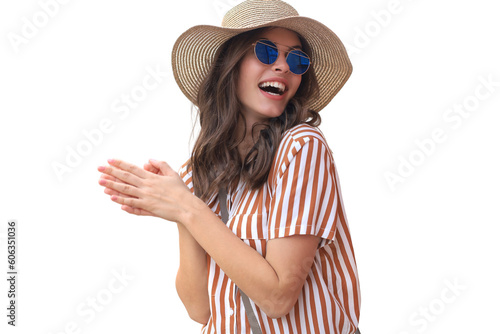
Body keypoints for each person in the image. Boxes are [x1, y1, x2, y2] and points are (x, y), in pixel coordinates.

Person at [97, 0, 361, 333]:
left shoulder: (301, 147)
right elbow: (200, 310)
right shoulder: (200, 172)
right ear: (230, 64)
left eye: (296, 59)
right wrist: (182, 210)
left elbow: (278, 297)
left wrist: (187, 206)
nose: (283, 66)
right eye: (266, 52)